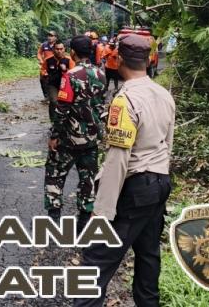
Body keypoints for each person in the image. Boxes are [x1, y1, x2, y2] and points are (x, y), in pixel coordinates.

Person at [74, 34, 176, 307]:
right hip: (159, 182)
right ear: (149, 60)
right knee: (148, 254)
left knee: (96, 259)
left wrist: (102, 211)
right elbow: (168, 144)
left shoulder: (125, 100)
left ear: (118, 59)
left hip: (136, 186)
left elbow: (118, 159)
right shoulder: (164, 94)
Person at [44, 35, 106, 232]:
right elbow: (100, 106)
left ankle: (54, 218)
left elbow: (62, 109)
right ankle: (84, 221)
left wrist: (54, 135)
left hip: (68, 139)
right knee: (88, 179)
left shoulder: (70, 76)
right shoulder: (101, 74)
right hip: (91, 139)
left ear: (72, 52)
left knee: (55, 173)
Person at [44, 41, 75, 122]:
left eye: (61, 49)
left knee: (66, 102)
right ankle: (53, 121)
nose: (59, 51)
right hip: (53, 84)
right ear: (53, 49)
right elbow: (43, 70)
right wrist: (45, 74)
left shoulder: (69, 60)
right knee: (54, 101)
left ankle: (65, 120)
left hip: (66, 85)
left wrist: (65, 70)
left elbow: (73, 73)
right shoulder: (48, 59)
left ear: (64, 49)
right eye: (57, 49)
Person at [37, 31, 57, 99]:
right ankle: (46, 96)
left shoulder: (58, 45)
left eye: (51, 36)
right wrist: (40, 60)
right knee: (42, 79)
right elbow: (39, 53)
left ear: (55, 37)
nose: (49, 37)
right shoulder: (44, 45)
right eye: (48, 36)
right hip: (45, 65)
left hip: (55, 65)